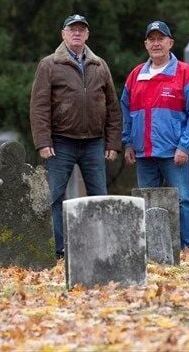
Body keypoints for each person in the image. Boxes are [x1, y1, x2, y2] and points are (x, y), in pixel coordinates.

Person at [30, 14, 122, 259]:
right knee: (53, 197)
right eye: (72, 29)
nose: (77, 33)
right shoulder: (49, 64)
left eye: (81, 29)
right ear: (63, 34)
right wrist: (43, 141)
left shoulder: (100, 65)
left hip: (94, 143)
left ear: (87, 35)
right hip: (60, 142)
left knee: (99, 197)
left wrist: (113, 142)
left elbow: (112, 106)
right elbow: (39, 106)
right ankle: (58, 251)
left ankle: (101, 249)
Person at [121, 20, 189, 249]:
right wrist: (128, 143)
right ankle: (153, 248)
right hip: (144, 153)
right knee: (147, 200)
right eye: (152, 39)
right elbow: (126, 112)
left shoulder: (185, 73)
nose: (156, 43)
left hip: (174, 151)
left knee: (183, 199)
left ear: (170, 43)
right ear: (146, 44)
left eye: (161, 39)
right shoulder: (135, 74)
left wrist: (186, 146)